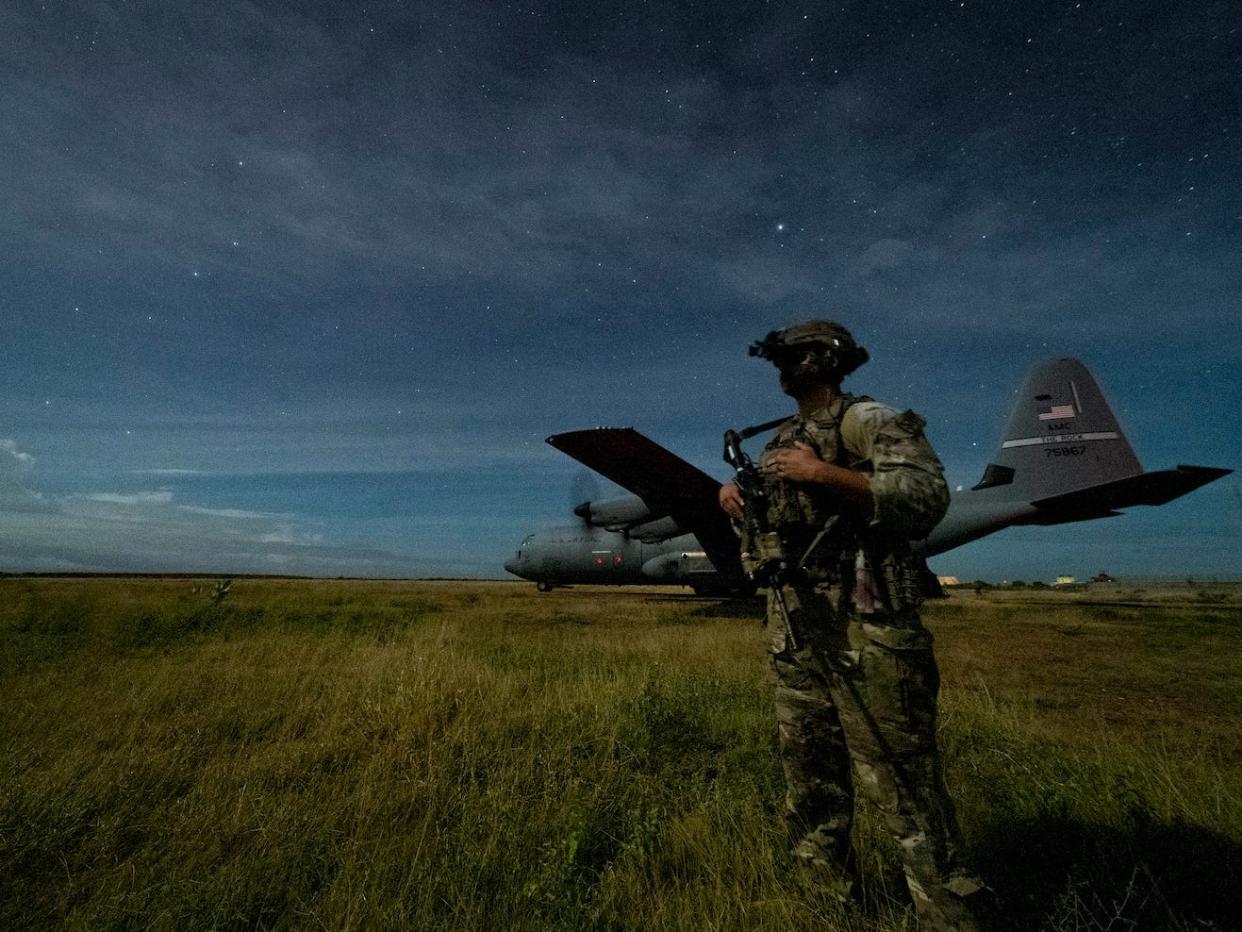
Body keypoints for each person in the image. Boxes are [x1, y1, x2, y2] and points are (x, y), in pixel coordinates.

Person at [718, 320, 986, 931]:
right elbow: (769, 541)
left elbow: (926, 497)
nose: (785, 368)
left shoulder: (867, 420)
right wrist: (735, 505)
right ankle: (823, 902)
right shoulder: (776, 443)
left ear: (827, 360)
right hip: (797, 633)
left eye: (797, 356)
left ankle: (946, 914)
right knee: (810, 780)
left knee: (904, 785)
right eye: (781, 359)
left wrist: (826, 475)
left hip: (871, 637)